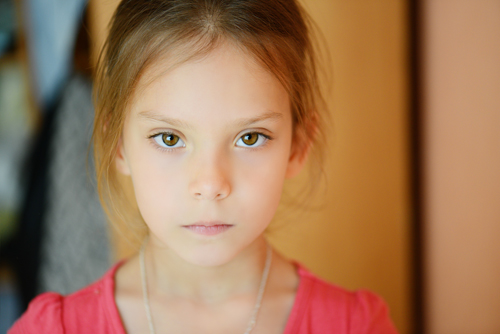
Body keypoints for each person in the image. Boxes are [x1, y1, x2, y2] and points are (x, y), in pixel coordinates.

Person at [9, 0, 398, 333]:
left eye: (250, 138)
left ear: (298, 144)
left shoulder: (354, 325)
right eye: (170, 138)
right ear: (120, 144)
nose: (210, 184)